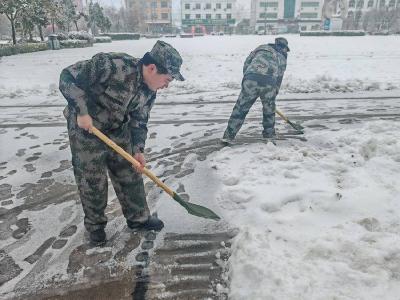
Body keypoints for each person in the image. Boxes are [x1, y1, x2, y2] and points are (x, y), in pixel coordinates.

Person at [59, 41, 185, 245]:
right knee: (92, 179)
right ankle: (95, 227)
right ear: (152, 68)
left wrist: (138, 149)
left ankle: (138, 219)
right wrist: (81, 111)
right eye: (167, 79)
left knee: (130, 171)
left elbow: (139, 120)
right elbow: (67, 77)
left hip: (118, 128)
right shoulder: (111, 65)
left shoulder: (149, 91)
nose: (167, 85)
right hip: (87, 129)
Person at [222, 37, 289, 143]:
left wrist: (247, 79)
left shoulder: (261, 48)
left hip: (251, 79)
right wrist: (274, 93)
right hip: (269, 82)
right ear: (284, 47)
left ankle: (228, 136)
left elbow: (247, 63)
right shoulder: (282, 57)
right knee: (269, 111)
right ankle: (269, 136)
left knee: (240, 109)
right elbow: (279, 77)